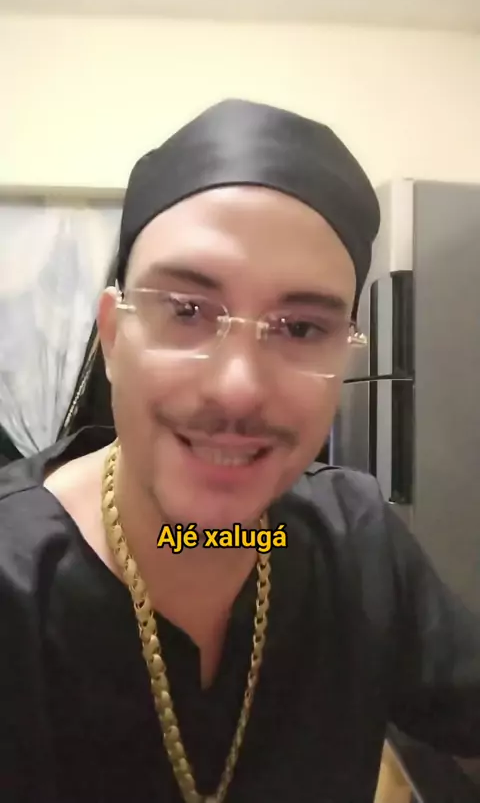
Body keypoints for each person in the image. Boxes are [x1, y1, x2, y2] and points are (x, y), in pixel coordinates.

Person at [0, 99, 479, 803]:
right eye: (187, 311)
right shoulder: (15, 580)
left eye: (301, 328)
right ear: (114, 336)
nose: (238, 388)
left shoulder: (355, 541)